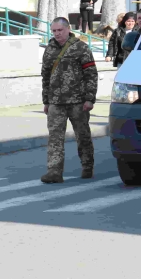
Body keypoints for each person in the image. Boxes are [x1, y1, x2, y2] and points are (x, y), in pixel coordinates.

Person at [40, 17, 98, 183]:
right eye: (54, 31)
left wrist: (89, 98)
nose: (57, 34)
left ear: (68, 29)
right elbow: (45, 76)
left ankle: (87, 165)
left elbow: (91, 75)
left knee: (82, 135)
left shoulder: (81, 48)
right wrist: (46, 101)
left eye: (60, 30)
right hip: (56, 102)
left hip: (77, 101)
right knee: (55, 138)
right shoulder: (49, 49)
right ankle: (54, 171)